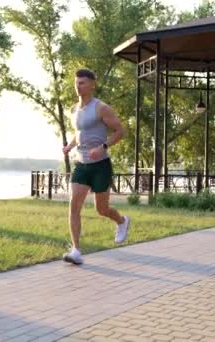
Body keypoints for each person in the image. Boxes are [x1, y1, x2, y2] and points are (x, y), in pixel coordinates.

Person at [61, 69, 130, 265]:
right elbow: (79, 132)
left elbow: (119, 131)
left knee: (102, 209)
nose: (78, 86)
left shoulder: (101, 108)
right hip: (81, 165)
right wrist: (69, 146)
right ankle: (76, 250)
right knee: (74, 206)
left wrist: (103, 147)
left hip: (100, 166)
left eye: (82, 83)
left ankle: (122, 221)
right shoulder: (74, 110)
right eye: (76, 83)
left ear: (92, 85)